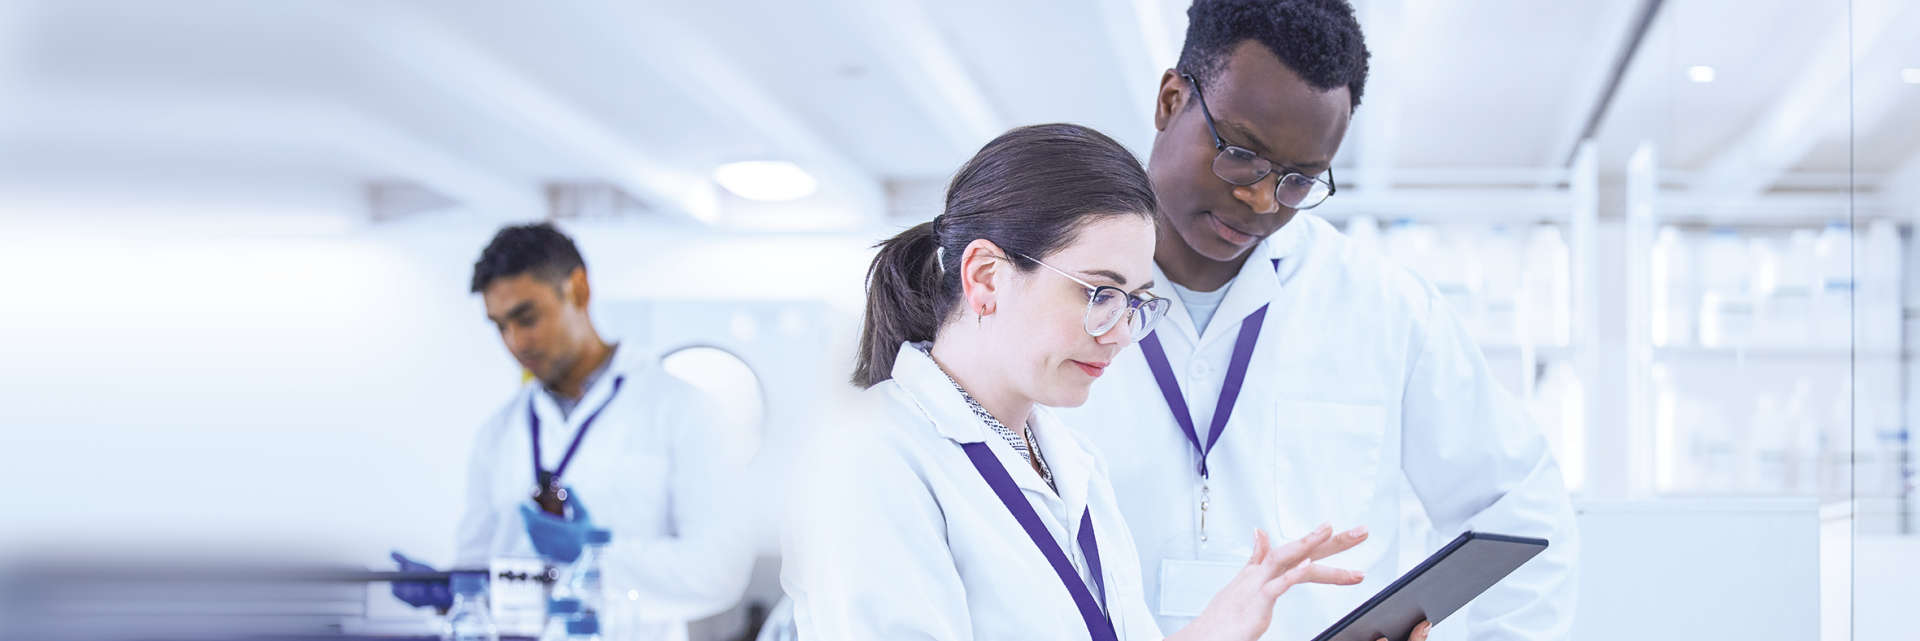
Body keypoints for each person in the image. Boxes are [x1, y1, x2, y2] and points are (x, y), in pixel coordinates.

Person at [1054, 1, 1579, 640]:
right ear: (1171, 101)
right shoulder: (1047, 286)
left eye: (1298, 180)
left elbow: (1520, 505)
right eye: (1242, 154)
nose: (1260, 197)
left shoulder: (1382, 307)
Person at [781, 123, 1407, 641]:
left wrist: (1223, 622)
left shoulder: (1069, 460)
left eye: (1135, 302)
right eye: (1099, 293)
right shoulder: (872, 455)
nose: (1120, 333)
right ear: (986, 277)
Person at [390, 222, 752, 640]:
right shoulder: (498, 433)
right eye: (500, 326)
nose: (515, 342)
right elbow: (484, 572)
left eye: (526, 318)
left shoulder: (680, 408)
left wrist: (596, 559)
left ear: (578, 290)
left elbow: (719, 570)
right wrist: (450, 593)